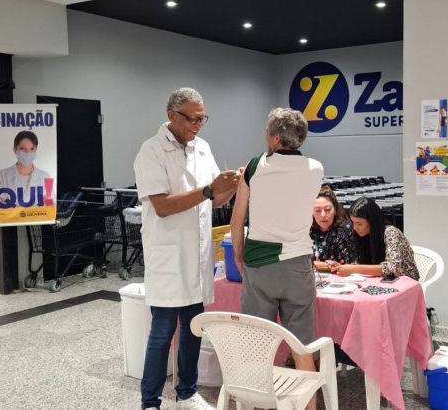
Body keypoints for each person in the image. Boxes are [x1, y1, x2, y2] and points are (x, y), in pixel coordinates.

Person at [134, 87, 240, 410]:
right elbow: (163, 206)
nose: (197, 125)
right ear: (171, 116)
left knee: (194, 329)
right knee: (162, 333)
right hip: (168, 258)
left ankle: (187, 393)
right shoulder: (151, 151)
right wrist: (209, 189)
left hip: (197, 257)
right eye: (192, 118)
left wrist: (231, 187)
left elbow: (214, 200)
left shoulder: (202, 148)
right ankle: (150, 401)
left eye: (202, 119)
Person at [230, 108, 323, 410]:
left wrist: (239, 255)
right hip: (299, 265)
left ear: (275, 138)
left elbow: (237, 219)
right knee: (302, 345)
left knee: (258, 346)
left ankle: (260, 405)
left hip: (260, 265)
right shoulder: (316, 168)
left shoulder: (255, 166)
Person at [329, 197, 419, 281]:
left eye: (359, 224)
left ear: (372, 222)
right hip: (380, 281)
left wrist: (354, 269)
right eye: (353, 223)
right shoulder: (363, 235)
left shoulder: (391, 232)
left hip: (404, 283)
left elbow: (392, 268)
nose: (355, 228)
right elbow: (362, 263)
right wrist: (341, 267)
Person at [0, 131, 51, 206]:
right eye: (22, 148)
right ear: (15, 150)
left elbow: (49, 205)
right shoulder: (1, 176)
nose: (28, 153)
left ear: (36, 150)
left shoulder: (45, 176)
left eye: (32, 148)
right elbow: (0, 204)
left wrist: (14, 207)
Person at [311, 185, 355, 272]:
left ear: (335, 209)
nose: (323, 215)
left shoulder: (346, 229)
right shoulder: (306, 230)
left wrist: (314, 265)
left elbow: (345, 265)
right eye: (318, 210)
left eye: (327, 209)